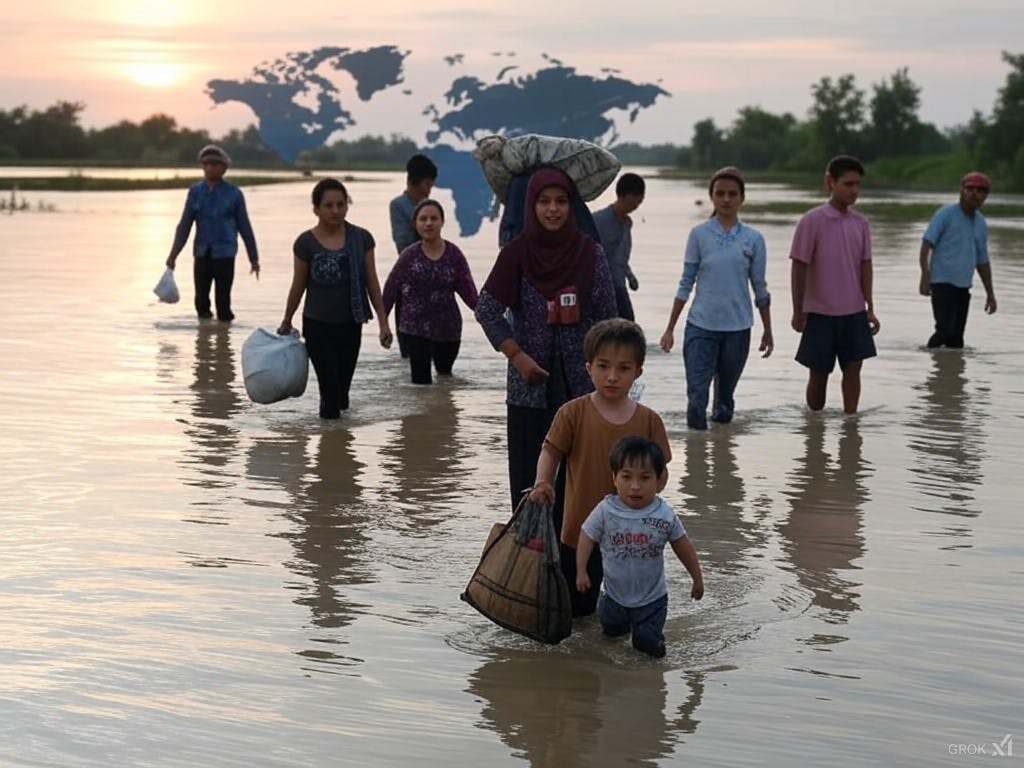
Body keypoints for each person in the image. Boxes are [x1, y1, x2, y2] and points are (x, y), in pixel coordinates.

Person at [475, 166, 618, 517]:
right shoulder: (517, 253)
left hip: (582, 391)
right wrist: (517, 356)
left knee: (581, 486)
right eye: (543, 201)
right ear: (531, 206)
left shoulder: (590, 254)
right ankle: (531, 566)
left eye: (560, 201)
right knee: (529, 485)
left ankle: (577, 569)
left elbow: (608, 323)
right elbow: (487, 309)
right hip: (529, 389)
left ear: (572, 207)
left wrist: (608, 378)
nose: (552, 209)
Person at [528, 319, 671, 617]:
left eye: (623, 368)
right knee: (578, 612)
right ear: (588, 368)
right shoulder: (573, 412)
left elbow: (662, 474)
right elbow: (550, 451)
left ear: (638, 372)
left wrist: (647, 489)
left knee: (628, 612)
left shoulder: (649, 420)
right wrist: (543, 482)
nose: (612, 377)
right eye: (604, 366)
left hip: (631, 537)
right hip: (579, 532)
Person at [659, 166, 773, 430]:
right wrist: (670, 328)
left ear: (742, 198)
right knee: (697, 398)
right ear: (711, 196)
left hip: (738, 328)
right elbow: (686, 282)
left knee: (724, 403)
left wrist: (768, 330)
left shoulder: (753, 239)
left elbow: (760, 287)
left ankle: (722, 458)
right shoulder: (699, 235)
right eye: (720, 193)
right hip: (701, 327)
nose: (726, 199)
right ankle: (696, 458)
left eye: (732, 194)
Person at [576, 436, 704, 658]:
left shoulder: (664, 514)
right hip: (613, 598)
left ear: (659, 479)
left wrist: (697, 578)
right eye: (626, 477)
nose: (635, 486)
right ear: (614, 478)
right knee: (610, 640)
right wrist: (581, 571)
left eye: (645, 478)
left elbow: (683, 545)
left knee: (647, 646)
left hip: (652, 600)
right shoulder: (605, 510)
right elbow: (587, 536)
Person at [277, 178, 392, 418]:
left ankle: (340, 447)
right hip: (317, 326)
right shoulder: (305, 243)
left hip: (351, 324)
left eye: (341, 204)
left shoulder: (362, 239)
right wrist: (287, 319)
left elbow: (372, 281)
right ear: (316, 208)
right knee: (329, 397)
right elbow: (298, 285)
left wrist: (383, 323)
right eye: (328, 205)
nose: (335, 211)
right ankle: (328, 447)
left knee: (342, 396)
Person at [790, 155, 880, 414]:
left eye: (857, 185)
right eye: (848, 184)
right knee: (818, 374)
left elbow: (866, 265)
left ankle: (850, 424)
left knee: (854, 369)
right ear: (830, 182)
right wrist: (798, 311)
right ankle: (814, 425)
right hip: (820, 313)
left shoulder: (860, 223)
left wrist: (870, 307)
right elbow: (799, 267)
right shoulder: (812, 221)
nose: (854, 191)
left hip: (853, 312)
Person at [382, 199, 479, 384]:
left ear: (442, 222)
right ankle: (422, 413)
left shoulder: (454, 255)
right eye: (423, 219)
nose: (428, 223)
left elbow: (470, 293)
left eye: (434, 218)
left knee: (445, 380)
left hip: (448, 328)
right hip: (414, 328)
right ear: (415, 223)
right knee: (421, 384)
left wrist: (490, 318)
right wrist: (383, 324)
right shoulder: (409, 255)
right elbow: (390, 290)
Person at [165, 144, 260, 322]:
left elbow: (245, 227)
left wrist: (253, 258)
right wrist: (173, 256)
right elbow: (184, 226)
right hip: (202, 252)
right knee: (201, 300)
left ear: (224, 168)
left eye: (215, 164)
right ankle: (205, 343)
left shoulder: (234, 194)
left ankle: (224, 342)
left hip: (225, 253)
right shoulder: (195, 192)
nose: (210, 168)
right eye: (206, 164)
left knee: (223, 302)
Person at [919, 171, 997, 349]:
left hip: (963, 286)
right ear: (961, 191)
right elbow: (926, 245)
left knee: (956, 339)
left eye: (981, 190)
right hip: (941, 282)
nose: (975, 193)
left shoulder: (980, 222)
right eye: (970, 189)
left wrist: (990, 294)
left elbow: (982, 261)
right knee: (944, 330)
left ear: (985, 196)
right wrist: (925, 275)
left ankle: (951, 375)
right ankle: (930, 365)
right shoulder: (945, 214)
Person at [389, 154, 438, 358]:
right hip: (408, 278)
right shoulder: (398, 205)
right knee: (408, 349)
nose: (429, 189)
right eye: (428, 183)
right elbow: (402, 244)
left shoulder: (430, 205)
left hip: (432, 277)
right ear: (415, 181)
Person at [592, 173, 645, 321]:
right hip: (600, 288)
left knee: (629, 327)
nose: (638, 203)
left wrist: (630, 276)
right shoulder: (598, 221)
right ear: (625, 195)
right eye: (637, 198)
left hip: (619, 285)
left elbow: (620, 257)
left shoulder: (627, 224)